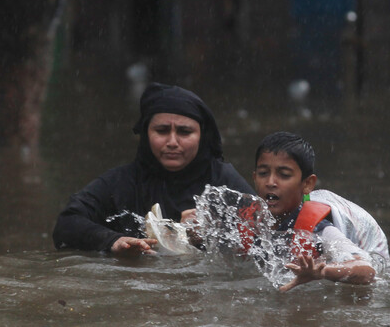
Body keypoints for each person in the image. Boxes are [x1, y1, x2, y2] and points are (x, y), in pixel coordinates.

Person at [52, 83, 253, 256]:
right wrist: (113, 241)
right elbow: (67, 223)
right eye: (162, 131)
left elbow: (267, 237)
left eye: (185, 132)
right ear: (146, 134)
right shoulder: (122, 182)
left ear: (202, 136)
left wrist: (211, 235)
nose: (172, 142)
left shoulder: (224, 181)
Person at [251, 131, 389, 292]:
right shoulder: (249, 217)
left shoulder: (321, 229)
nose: (270, 182)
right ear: (254, 178)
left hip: (369, 251)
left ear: (307, 184)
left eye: (284, 175)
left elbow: (367, 271)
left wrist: (322, 272)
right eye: (263, 174)